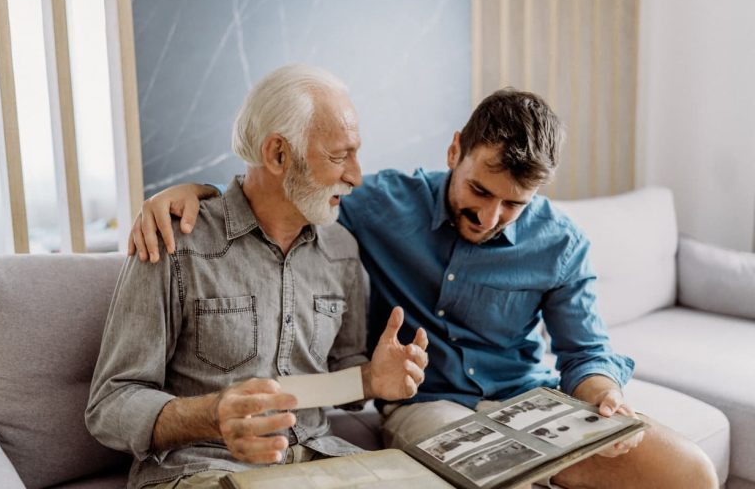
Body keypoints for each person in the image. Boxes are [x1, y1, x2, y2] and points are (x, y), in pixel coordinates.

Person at [129, 85, 718, 488]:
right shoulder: (380, 204)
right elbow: (285, 193)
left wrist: (601, 398)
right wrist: (193, 194)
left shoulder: (561, 242)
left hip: (530, 403)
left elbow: (585, 353)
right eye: (480, 192)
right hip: (429, 407)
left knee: (691, 472)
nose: (490, 218)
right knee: (505, 477)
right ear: (455, 149)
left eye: (514, 205)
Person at [85, 65, 429, 489]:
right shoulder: (173, 243)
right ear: (278, 154)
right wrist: (212, 415)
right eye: (339, 157)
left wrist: (373, 380)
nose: (356, 176)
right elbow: (110, 404)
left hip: (318, 458)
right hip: (203, 467)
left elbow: (333, 380)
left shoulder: (341, 249)